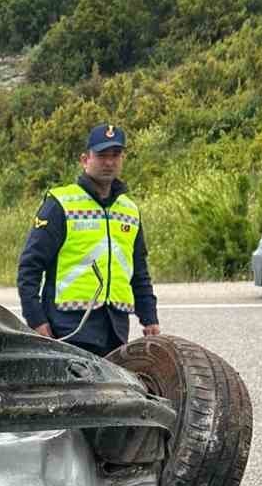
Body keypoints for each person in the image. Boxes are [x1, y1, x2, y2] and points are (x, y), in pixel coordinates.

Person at [16, 124, 160, 357]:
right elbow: (30, 266)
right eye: (102, 155)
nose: (109, 162)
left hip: (115, 328)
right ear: (85, 160)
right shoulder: (61, 203)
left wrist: (149, 317)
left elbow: (139, 271)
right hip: (67, 327)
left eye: (115, 155)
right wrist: (36, 320)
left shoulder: (130, 211)